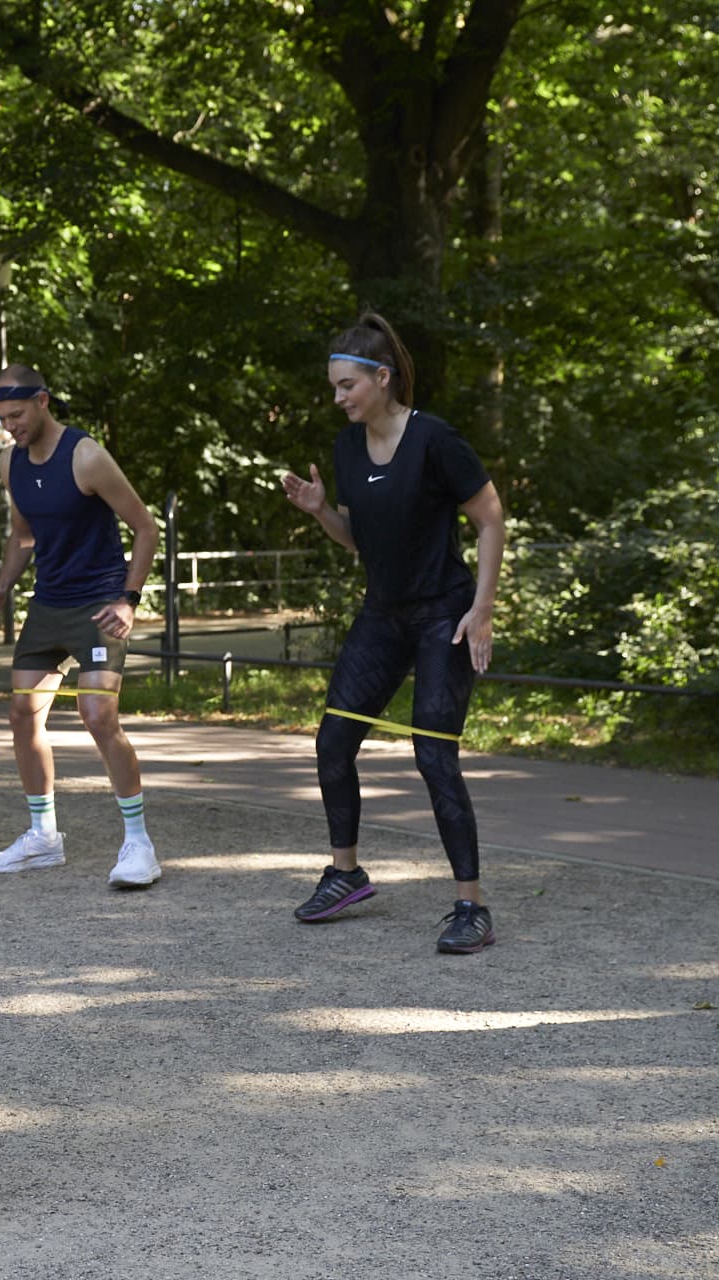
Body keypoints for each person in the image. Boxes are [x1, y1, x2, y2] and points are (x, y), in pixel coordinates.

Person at [280, 312, 506, 954]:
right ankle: (345, 873)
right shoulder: (347, 449)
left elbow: (491, 518)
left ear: (382, 379)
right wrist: (323, 511)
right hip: (384, 612)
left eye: (347, 385)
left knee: (433, 755)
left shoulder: (436, 439)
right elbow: (364, 540)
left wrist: (482, 610)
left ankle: (471, 906)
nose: (338, 397)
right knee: (332, 743)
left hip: (445, 613)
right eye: (333, 387)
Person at [0, 367, 163, 888]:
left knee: (97, 714)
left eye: (16, 415)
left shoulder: (86, 456)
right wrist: (2, 587)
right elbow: (22, 536)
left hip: (101, 602)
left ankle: (139, 844)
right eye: (2, 418)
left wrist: (129, 601)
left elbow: (145, 527)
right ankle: (43, 838)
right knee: (21, 713)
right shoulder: (11, 462)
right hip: (48, 604)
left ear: (42, 401)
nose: (10, 426)